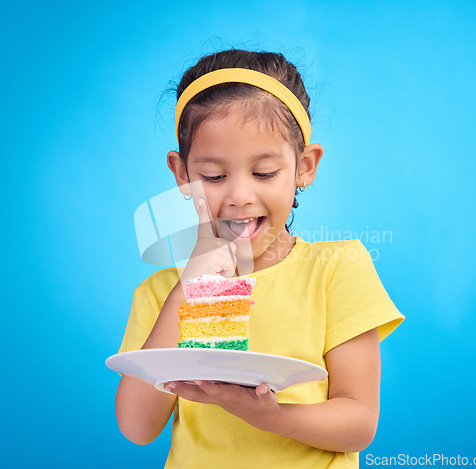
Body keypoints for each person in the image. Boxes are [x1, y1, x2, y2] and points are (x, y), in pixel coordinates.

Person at [114, 49, 405, 468]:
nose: (239, 196)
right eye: (214, 177)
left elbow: (359, 422)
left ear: (304, 167)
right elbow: (137, 428)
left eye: (264, 172)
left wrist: (268, 416)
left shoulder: (337, 268)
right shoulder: (161, 293)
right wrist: (189, 292)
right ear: (181, 174)